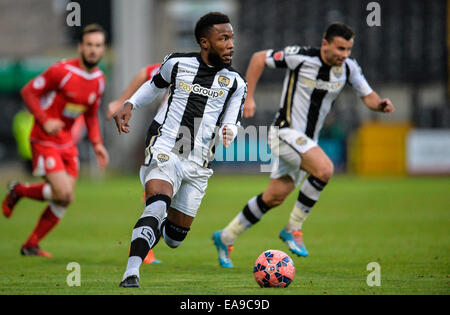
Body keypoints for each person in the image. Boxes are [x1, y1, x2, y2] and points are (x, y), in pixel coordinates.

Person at [212, 23, 395, 268]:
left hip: (307, 142)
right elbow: (258, 59)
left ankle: (225, 237)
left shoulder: (349, 68)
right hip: (284, 132)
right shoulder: (301, 57)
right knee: (325, 170)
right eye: (340, 48)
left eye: (348, 49)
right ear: (325, 44)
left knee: (274, 197)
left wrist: (380, 104)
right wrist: (249, 97)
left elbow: (368, 95)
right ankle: (293, 229)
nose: (344, 54)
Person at [114, 12, 247, 288]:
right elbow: (153, 86)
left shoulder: (235, 82)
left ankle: (152, 230)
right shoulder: (177, 63)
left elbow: (233, 120)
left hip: (199, 162)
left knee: (174, 238)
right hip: (166, 147)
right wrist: (130, 104)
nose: (231, 44)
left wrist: (229, 132)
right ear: (204, 42)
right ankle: (131, 272)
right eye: (223, 38)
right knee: (157, 204)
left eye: (231, 38)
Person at [1, 24, 109, 257]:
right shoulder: (61, 71)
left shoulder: (99, 79)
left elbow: (90, 113)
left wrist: (97, 143)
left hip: (66, 142)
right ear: (80, 47)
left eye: (98, 45)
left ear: (103, 49)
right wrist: (44, 120)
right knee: (63, 193)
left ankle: (31, 244)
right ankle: (18, 190)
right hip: (44, 139)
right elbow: (29, 91)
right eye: (89, 44)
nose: (93, 50)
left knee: (64, 199)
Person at [107, 63, 164, 265]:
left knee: (174, 213)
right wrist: (121, 101)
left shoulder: (222, 77)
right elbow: (144, 73)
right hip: (167, 136)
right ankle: (142, 250)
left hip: (194, 140)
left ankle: (143, 245)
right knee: (158, 197)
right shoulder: (182, 66)